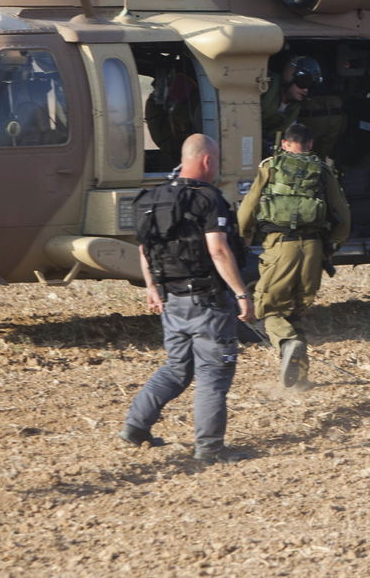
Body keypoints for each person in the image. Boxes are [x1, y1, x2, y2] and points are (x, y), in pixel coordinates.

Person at [121, 134, 254, 462]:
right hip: (208, 302)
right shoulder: (208, 199)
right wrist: (241, 293)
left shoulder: (152, 198)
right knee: (213, 373)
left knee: (177, 368)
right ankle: (210, 448)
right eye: (216, 160)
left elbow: (145, 249)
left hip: (172, 300)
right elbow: (218, 250)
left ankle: (135, 427)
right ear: (207, 160)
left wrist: (152, 287)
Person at [237, 122, 351, 389]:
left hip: (280, 248)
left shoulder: (270, 166)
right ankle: (299, 380)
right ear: (310, 144)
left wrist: (242, 238)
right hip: (313, 249)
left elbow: (248, 208)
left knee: (269, 310)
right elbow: (343, 215)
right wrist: (331, 246)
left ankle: (288, 343)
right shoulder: (322, 170)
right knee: (295, 311)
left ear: (285, 144)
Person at [261, 55, 322, 148]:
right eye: (303, 82)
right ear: (289, 76)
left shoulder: (294, 109)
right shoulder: (265, 87)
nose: (306, 90)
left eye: (311, 85)